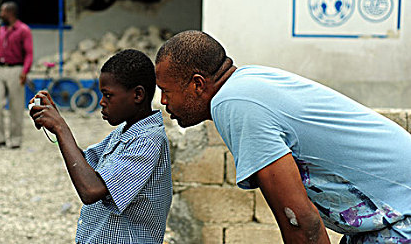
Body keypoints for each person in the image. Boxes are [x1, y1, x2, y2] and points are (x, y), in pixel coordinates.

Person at [155, 30, 411, 244]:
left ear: (198, 85)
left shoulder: (234, 103)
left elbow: (300, 222)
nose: (164, 102)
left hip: (402, 218)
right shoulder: (246, 83)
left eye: (167, 91)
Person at [29, 49, 172, 244]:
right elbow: (85, 167)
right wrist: (57, 125)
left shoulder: (147, 141)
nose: (102, 103)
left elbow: (90, 189)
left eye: (108, 95)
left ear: (138, 95)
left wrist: (62, 129)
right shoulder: (124, 132)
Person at [0, 1, 33, 149]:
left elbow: (29, 53)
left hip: (16, 70)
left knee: (16, 105)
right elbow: (0, 48)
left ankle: (15, 139)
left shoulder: (23, 30)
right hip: (0, 69)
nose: (0, 15)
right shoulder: (1, 30)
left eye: (3, 12)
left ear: (10, 13)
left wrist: (24, 71)